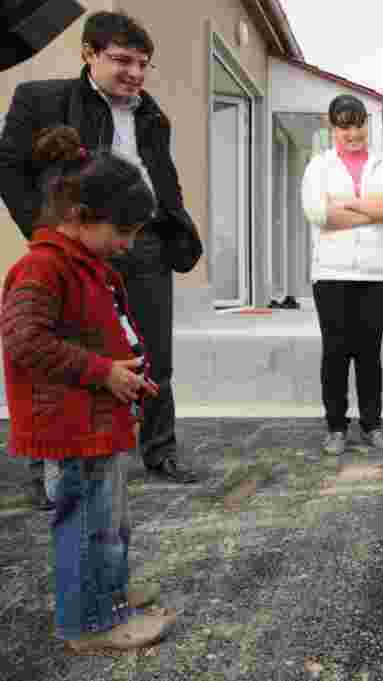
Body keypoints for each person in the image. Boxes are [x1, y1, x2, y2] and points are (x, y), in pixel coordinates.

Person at [0, 11, 204, 499]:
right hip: (79, 247)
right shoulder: (42, 100)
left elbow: (163, 175)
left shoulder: (152, 114)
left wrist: (173, 225)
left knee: (153, 353)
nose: (134, 73)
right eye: (122, 60)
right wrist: (46, 229)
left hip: (146, 243)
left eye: (142, 64)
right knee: (70, 352)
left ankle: (160, 451)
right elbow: (7, 167)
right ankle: (49, 468)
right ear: (89, 54)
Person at [1, 126, 177, 652]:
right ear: (78, 217)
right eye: (122, 231)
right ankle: (91, 624)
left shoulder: (88, 265)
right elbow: (24, 339)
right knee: (87, 529)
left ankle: (109, 596)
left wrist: (129, 374)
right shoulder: (42, 268)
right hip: (71, 429)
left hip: (96, 425)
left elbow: (102, 331)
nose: (128, 244)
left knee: (110, 525)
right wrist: (103, 372)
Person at [301, 95, 383, 455]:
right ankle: (336, 428)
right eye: (344, 126)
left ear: (367, 124)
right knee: (335, 352)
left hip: (376, 276)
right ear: (332, 128)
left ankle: (372, 426)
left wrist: (345, 206)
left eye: (358, 124)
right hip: (331, 274)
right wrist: (374, 212)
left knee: (368, 353)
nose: (353, 133)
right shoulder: (319, 166)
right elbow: (318, 214)